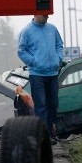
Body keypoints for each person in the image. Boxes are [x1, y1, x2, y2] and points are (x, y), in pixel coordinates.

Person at [17, 12, 64, 143]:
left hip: (53, 73)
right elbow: (21, 51)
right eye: (45, 14)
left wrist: (58, 59)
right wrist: (34, 62)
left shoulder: (52, 29)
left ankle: (51, 132)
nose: (47, 16)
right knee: (41, 106)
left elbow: (59, 45)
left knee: (53, 104)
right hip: (37, 75)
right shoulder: (27, 31)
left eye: (48, 14)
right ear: (36, 13)